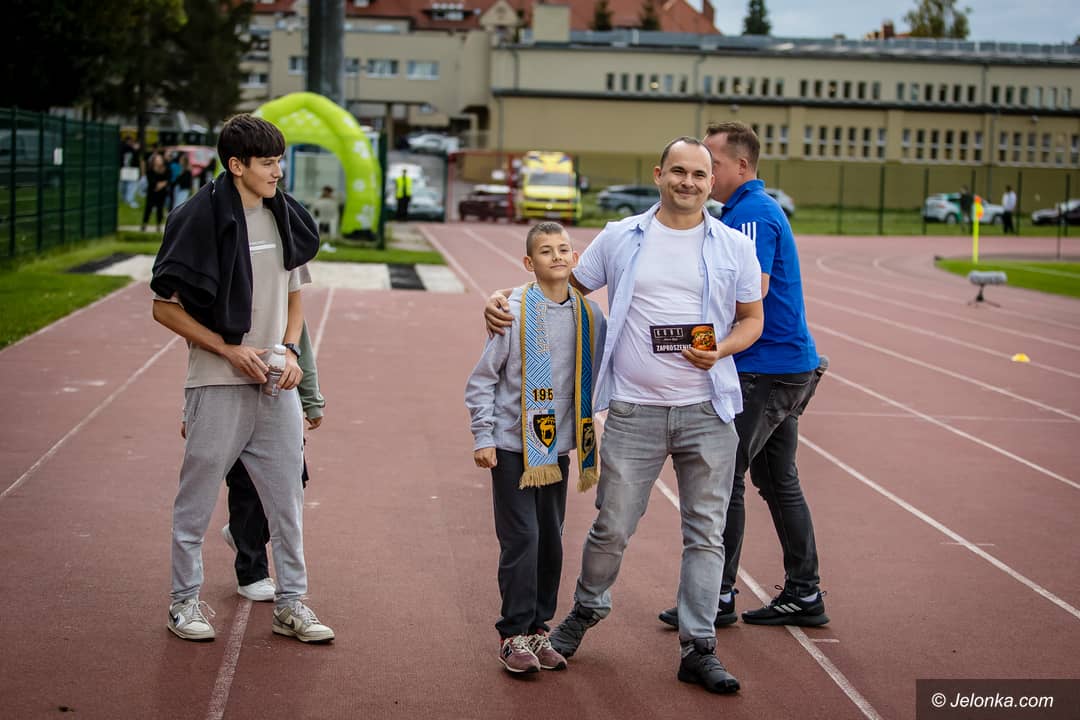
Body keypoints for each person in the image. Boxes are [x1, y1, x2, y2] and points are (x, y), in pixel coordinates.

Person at [486, 137, 764, 694]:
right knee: (611, 527)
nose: (688, 182)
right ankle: (585, 611)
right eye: (678, 171)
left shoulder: (735, 246)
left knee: (706, 533)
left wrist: (722, 350)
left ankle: (698, 646)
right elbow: (560, 288)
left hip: (707, 409)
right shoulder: (621, 236)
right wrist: (503, 299)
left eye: (699, 175)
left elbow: (751, 320)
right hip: (635, 410)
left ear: (712, 183)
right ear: (659, 174)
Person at [150, 113, 334, 644]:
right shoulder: (196, 219)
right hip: (216, 382)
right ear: (236, 165)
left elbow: (295, 297)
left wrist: (290, 350)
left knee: (288, 502)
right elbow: (164, 308)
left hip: (276, 385)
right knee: (196, 501)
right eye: (268, 163)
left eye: (280, 161)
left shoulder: (285, 217)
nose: (278, 172)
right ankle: (184, 602)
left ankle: (291, 604)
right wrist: (229, 351)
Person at [656, 121, 831, 632]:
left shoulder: (751, 214)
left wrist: (681, 328)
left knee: (723, 476)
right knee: (777, 480)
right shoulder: (744, 210)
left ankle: (717, 594)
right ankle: (803, 591)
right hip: (782, 364)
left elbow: (747, 293)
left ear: (740, 165)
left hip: (767, 367)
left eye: (711, 162)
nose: (704, 172)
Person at [465, 222, 607, 675]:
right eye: (546, 251)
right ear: (529, 263)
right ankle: (512, 634)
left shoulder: (591, 317)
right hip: (512, 446)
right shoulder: (513, 313)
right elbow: (482, 380)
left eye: (564, 249)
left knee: (550, 541)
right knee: (522, 538)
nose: (557, 256)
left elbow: (601, 373)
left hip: (557, 449)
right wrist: (483, 436)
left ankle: (537, 629)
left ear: (576, 258)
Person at [178, 322, 325, 602]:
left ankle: (242, 534)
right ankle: (251, 571)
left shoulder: (281, 301)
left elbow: (299, 342)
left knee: (292, 482)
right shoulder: (224, 308)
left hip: (276, 399)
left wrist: (311, 398)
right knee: (246, 486)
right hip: (226, 400)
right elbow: (198, 357)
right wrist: (190, 410)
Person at [141, 151, 170, 232]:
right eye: (157, 159)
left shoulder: (166, 169)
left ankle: (158, 225)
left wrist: (161, 185)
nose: (159, 161)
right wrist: (159, 184)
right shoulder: (150, 170)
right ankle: (144, 224)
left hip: (162, 193)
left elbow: (168, 179)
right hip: (152, 192)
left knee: (160, 209)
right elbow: (151, 181)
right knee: (148, 208)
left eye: (160, 159)